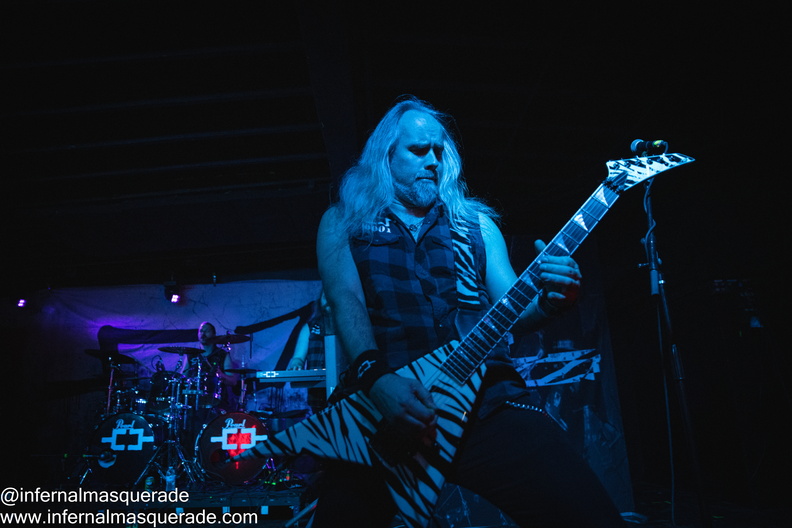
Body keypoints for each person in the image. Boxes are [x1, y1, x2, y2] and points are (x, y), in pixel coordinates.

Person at [310, 96, 625, 527]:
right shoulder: (343, 221)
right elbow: (346, 300)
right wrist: (377, 379)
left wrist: (552, 300)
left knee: (587, 514)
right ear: (386, 156)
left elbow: (513, 307)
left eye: (439, 151)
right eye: (418, 150)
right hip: (382, 402)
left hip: (486, 401)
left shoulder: (474, 224)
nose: (433, 161)